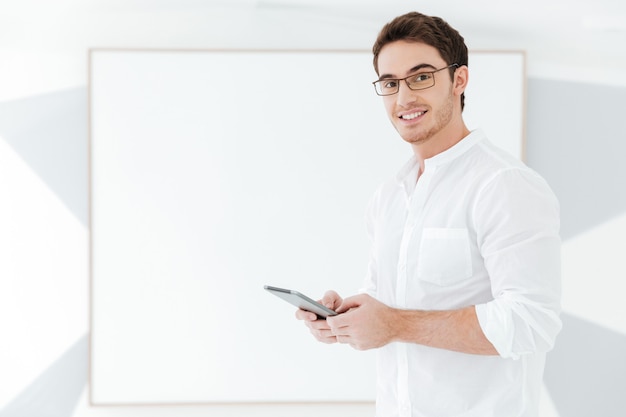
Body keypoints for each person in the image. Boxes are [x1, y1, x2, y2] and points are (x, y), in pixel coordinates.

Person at [295, 11, 562, 417]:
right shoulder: (388, 197)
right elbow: (387, 303)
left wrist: (396, 324)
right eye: (390, 83)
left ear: (459, 80)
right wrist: (343, 318)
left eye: (421, 77)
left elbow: (531, 322)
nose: (403, 98)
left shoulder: (504, 185)